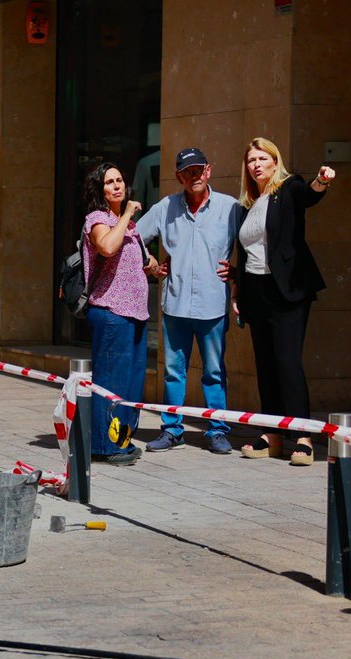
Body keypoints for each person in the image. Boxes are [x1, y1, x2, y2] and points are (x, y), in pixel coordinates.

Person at [232, 138, 335, 466]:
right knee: (265, 364)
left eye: (263, 158)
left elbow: (308, 195)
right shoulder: (248, 203)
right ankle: (272, 434)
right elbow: (244, 252)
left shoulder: (287, 189)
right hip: (256, 292)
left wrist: (321, 182)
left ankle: (303, 437)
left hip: (288, 290)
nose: (257, 164)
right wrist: (238, 294)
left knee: (288, 362)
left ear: (276, 163)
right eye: (251, 160)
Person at [136, 147, 244, 455]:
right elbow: (132, 238)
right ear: (179, 176)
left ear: (208, 171)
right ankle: (172, 430)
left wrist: (238, 272)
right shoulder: (165, 207)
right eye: (187, 172)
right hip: (176, 304)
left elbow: (251, 242)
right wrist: (152, 263)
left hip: (212, 305)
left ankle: (218, 431)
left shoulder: (230, 208)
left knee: (213, 371)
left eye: (199, 170)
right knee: (173, 371)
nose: (194, 176)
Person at [81, 163, 156, 466]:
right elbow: (108, 247)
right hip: (111, 311)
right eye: (109, 182)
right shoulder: (98, 219)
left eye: (120, 180)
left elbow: (130, 260)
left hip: (135, 314)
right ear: (100, 190)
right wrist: (126, 214)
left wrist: (150, 265)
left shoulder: (128, 225)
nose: (117, 186)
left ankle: (121, 441)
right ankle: (103, 445)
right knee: (110, 383)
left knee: (128, 386)